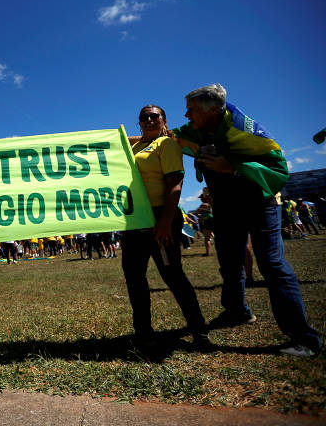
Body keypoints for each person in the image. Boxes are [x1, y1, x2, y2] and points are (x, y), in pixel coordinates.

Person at [173, 83, 321, 356]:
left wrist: (231, 167)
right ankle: (237, 311)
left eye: (191, 110)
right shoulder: (197, 130)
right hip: (226, 207)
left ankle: (305, 339)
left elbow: (279, 169)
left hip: (259, 202)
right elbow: (166, 137)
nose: (186, 115)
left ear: (214, 109)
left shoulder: (244, 130)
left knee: (272, 264)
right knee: (230, 262)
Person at [123, 105, 208, 348]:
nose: (149, 120)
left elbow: (175, 185)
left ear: (164, 120)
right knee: (134, 277)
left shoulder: (167, 144)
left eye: (154, 116)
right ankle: (143, 332)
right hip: (134, 218)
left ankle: (199, 329)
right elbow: (118, 141)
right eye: (144, 117)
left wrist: (165, 223)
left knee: (173, 275)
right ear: (138, 122)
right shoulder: (135, 146)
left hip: (161, 216)